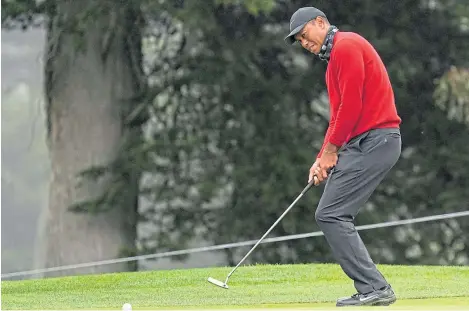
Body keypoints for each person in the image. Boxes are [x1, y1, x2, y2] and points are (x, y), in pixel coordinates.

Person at [284, 7, 402, 307]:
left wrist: (331, 151)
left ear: (320, 23)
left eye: (304, 35)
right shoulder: (335, 57)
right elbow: (338, 116)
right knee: (330, 214)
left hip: (376, 140)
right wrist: (321, 157)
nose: (304, 43)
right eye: (299, 40)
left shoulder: (346, 46)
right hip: (365, 142)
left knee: (331, 214)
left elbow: (351, 105)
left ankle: (375, 287)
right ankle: (373, 287)